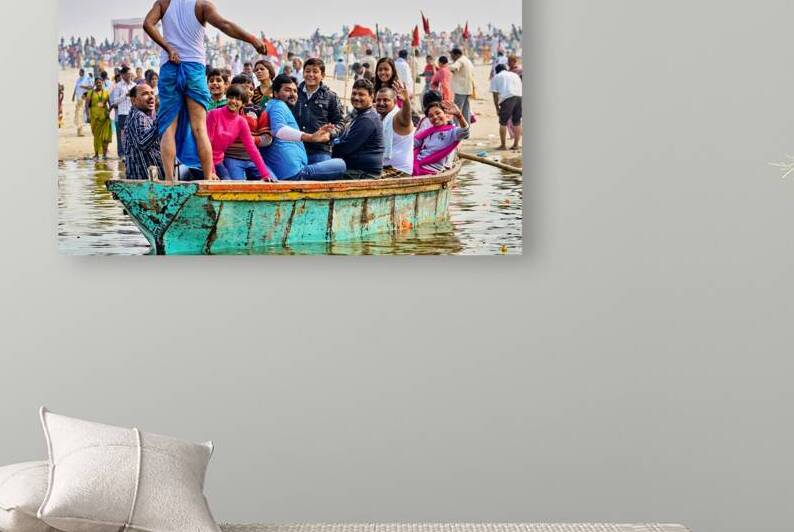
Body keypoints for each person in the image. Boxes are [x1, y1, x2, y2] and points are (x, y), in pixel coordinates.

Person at [144, 0, 267, 181]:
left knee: (168, 128)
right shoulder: (201, 5)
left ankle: (169, 180)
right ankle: (209, 176)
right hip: (193, 67)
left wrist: (169, 48)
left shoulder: (164, 2)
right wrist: (253, 39)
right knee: (199, 128)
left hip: (170, 65)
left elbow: (147, 24)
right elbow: (224, 25)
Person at [262, 74, 347, 181]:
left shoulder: (273, 106)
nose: (293, 94)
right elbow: (278, 130)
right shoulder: (278, 105)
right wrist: (311, 137)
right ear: (276, 93)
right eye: (287, 90)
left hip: (293, 170)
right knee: (341, 164)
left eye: (295, 91)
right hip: (294, 174)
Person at [206, 85, 274, 181]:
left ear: (243, 104)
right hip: (203, 160)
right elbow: (207, 143)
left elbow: (252, 148)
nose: (233, 101)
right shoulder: (213, 114)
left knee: (229, 184)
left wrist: (265, 175)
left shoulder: (241, 122)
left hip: (217, 160)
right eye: (231, 97)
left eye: (238, 99)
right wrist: (211, 171)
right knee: (226, 185)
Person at [294, 58, 345, 164]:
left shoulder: (331, 97)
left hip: (320, 150)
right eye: (307, 71)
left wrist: (330, 134)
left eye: (315, 71)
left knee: (324, 171)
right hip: (295, 147)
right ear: (303, 73)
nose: (311, 74)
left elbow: (340, 122)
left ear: (323, 75)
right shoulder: (294, 93)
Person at [332, 79, 384, 180]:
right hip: (355, 168)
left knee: (317, 171)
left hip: (364, 173)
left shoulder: (367, 119)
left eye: (361, 94)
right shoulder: (359, 113)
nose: (356, 97)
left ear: (371, 96)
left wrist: (326, 149)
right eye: (354, 93)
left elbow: (345, 148)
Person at [222, 75, 272, 179]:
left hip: (254, 159)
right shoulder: (221, 110)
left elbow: (268, 138)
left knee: (273, 184)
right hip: (232, 158)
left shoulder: (259, 110)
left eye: (251, 89)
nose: (249, 92)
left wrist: (251, 139)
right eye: (244, 88)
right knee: (237, 189)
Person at [413, 101, 469, 175]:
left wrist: (459, 115)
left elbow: (465, 132)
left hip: (430, 170)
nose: (435, 117)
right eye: (431, 116)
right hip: (416, 164)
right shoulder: (428, 132)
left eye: (438, 113)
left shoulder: (452, 132)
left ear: (445, 114)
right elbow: (413, 143)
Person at [124, 84, 164, 180]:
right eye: (145, 94)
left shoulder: (143, 116)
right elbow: (143, 143)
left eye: (152, 93)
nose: (151, 97)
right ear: (133, 100)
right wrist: (161, 119)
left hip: (147, 178)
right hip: (143, 180)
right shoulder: (138, 116)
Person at [375, 81, 415, 178]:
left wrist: (406, 101)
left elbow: (406, 118)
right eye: (378, 100)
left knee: (367, 178)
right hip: (382, 168)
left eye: (386, 100)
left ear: (395, 102)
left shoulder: (397, 117)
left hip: (399, 171)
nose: (381, 103)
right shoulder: (380, 118)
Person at [490, 64, 522, 151]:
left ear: (497, 71)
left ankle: (503, 145)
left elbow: (495, 95)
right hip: (520, 97)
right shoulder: (514, 75)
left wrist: (497, 108)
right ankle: (516, 145)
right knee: (517, 122)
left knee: (503, 122)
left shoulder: (496, 77)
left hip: (507, 99)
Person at [109, 66, 136, 160]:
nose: (130, 75)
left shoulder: (134, 85)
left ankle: (131, 153)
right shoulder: (118, 86)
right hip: (123, 113)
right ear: (123, 75)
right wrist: (126, 95)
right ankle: (123, 154)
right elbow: (114, 101)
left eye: (130, 73)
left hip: (133, 112)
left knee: (133, 134)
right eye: (128, 74)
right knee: (123, 135)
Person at [85, 77, 113, 160]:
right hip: (94, 117)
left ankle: (104, 154)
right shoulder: (91, 93)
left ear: (102, 83)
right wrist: (88, 116)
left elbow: (110, 104)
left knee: (105, 136)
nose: (98, 84)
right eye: (97, 82)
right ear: (95, 84)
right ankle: (96, 154)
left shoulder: (106, 93)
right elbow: (86, 105)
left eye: (100, 82)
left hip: (105, 117)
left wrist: (109, 112)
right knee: (96, 136)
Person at [447, 48, 475, 124]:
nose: (451, 57)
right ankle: (466, 127)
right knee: (466, 110)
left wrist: (446, 66)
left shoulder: (460, 60)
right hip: (467, 89)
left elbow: (454, 67)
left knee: (457, 109)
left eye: (452, 55)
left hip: (461, 89)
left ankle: (456, 127)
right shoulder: (467, 60)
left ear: (457, 55)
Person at [72, 68, 92, 136]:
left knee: (81, 115)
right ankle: (79, 131)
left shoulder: (87, 79)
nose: (80, 73)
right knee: (77, 115)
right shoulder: (78, 79)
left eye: (81, 72)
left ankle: (81, 131)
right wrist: (73, 95)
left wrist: (83, 86)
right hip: (78, 99)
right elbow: (76, 87)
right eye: (80, 72)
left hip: (84, 99)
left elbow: (91, 87)